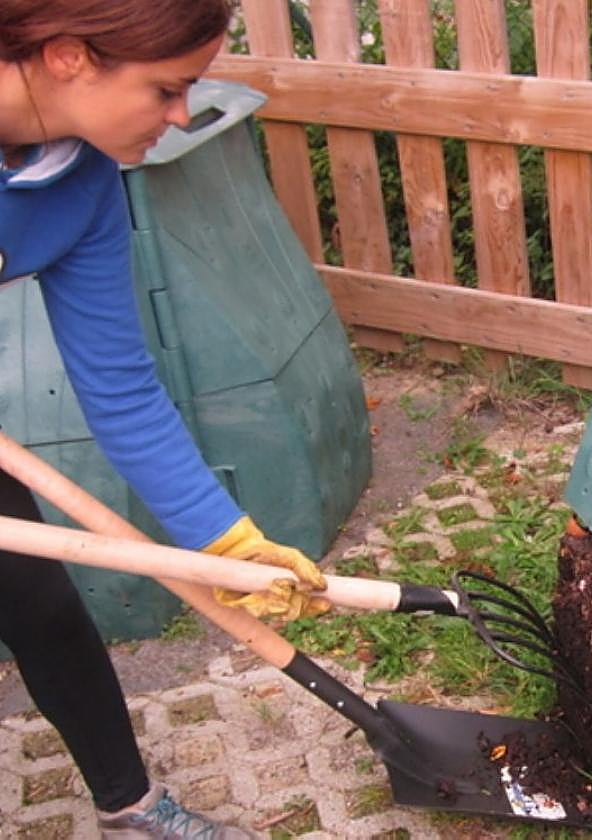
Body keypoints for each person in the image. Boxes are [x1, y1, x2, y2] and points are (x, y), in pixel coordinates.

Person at [0, 2, 331, 836]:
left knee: (36, 604)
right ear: (70, 57)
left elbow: (120, 389)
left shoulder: (79, 183)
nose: (182, 114)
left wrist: (223, 542)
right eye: (166, 89)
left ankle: (129, 806)